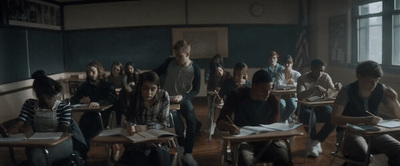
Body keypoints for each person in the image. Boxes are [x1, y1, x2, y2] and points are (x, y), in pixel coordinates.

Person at [1, 70, 87, 165]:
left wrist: (42, 140)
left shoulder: (63, 107)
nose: (44, 100)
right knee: (35, 154)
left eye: (46, 96)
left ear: (51, 92)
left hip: (61, 143)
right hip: (37, 143)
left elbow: (62, 133)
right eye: (40, 95)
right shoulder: (30, 104)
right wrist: (8, 132)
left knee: (36, 156)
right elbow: (19, 123)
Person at [216, 69, 292, 166]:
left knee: (284, 156)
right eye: (263, 91)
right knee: (245, 160)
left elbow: (274, 127)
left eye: (269, 90)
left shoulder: (273, 100)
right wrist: (228, 127)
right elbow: (220, 122)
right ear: (253, 86)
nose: (267, 94)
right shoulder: (237, 95)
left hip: (268, 142)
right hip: (244, 142)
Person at [331, 60, 400, 165]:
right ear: (359, 76)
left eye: (376, 80)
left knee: (398, 150)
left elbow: (398, 116)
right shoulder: (347, 91)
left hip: (373, 133)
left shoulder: (380, 89)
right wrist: (364, 119)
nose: (374, 84)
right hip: (348, 133)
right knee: (362, 153)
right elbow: (334, 118)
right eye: (370, 81)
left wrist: (395, 100)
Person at [154, 40, 200, 166]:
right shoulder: (170, 62)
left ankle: (188, 153)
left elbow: (196, 90)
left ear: (188, 54)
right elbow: (156, 72)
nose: (177, 58)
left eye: (180, 56)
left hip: (183, 99)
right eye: (176, 55)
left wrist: (184, 96)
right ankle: (181, 146)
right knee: (176, 125)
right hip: (167, 99)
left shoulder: (195, 69)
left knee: (192, 123)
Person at [117, 71, 171, 166]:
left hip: (158, 142)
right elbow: (129, 119)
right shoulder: (134, 96)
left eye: (153, 89)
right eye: (145, 89)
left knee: (162, 161)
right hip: (137, 144)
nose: (149, 93)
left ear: (158, 88)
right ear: (140, 88)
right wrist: (130, 126)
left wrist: (146, 127)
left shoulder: (163, 96)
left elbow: (165, 123)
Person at [297, 59, 341, 158]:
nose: (320, 73)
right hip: (306, 107)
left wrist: (337, 89)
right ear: (311, 69)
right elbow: (300, 96)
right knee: (309, 116)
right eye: (318, 70)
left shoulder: (325, 76)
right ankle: (313, 141)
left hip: (322, 106)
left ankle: (315, 141)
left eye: (322, 70)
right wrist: (314, 88)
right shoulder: (302, 78)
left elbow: (331, 94)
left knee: (334, 118)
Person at [70, 61, 117, 149]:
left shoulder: (108, 84)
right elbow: (73, 99)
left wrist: (99, 103)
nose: (90, 74)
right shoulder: (86, 85)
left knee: (92, 123)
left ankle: (84, 147)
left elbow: (111, 99)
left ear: (99, 71)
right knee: (82, 124)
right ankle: (81, 148)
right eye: (88, 72)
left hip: (104, 114)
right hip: (90, 113)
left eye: (93, 71)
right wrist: (80, 100)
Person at [275, 55, 301, 122]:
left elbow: (300, 85)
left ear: (292, 63)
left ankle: (283, 120)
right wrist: (290, 85)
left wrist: (294, 83)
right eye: (285, 63)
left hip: (292, 95)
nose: (287, 65)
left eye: (289, 63)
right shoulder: (280, 73)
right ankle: (286, 119)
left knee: (293, 106)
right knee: (282, 106)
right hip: (282, 96)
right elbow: (278, 86)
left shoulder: (297, 74)